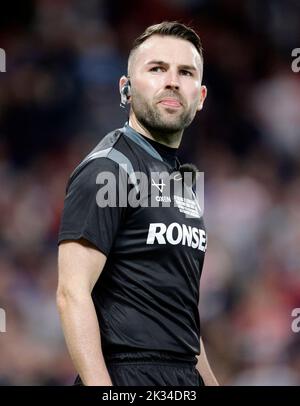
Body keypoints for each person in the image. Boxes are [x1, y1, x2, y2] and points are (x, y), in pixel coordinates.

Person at [56, 21, 219, 386]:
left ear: (201, 96)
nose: (173, 80)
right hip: (127, 374)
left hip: (181, 376)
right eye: (157, 68)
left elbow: (182, 316)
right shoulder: (108, 169)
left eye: (186, 72)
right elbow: (71, 293)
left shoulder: (181, 184)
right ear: (126, 88)